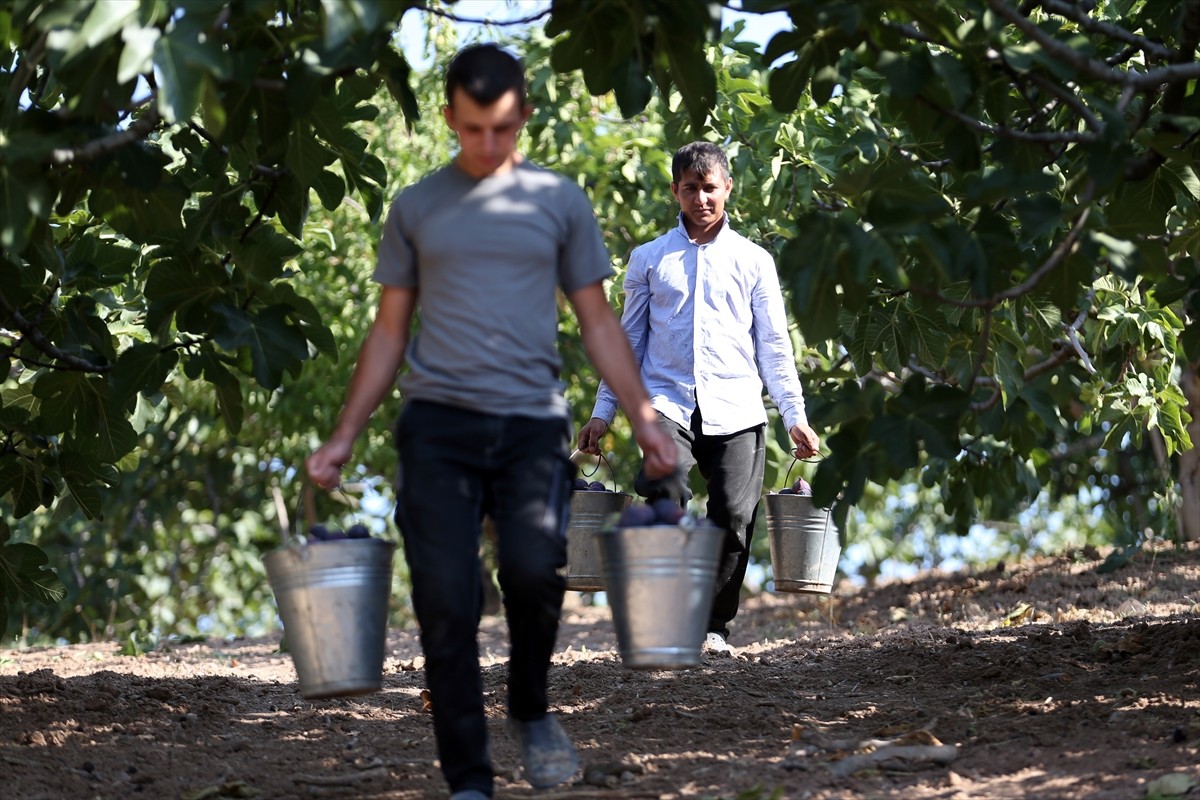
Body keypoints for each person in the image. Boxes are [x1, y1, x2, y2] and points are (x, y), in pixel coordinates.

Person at [306, 44, 676, 800]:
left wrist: (642, 416)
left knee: (538, 573)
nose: (488, 145)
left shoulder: (559, 202)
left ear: (524, 118)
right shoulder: (416, 207)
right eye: (473, 129)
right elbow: (387, 333)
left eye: (503, 129)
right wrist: (345, 432)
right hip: (436, 424)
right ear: (448, 118)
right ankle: (469, 781)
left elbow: (598, 321)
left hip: (530, 425)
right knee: (445, 600)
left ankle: (531, 708)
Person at [577, 141, 820, 656]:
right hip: (665, 403)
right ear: (675, 192)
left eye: (711, 188)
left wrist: (794, 416)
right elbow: (630, 345)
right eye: (691, 188)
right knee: (665, 493)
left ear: (727, 188)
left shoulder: (754, 262)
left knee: (734, 515)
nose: (702, 198)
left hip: (738, 408)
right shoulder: (648, 259)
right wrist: (603, 413)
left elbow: (774, 347)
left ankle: (712, 627)